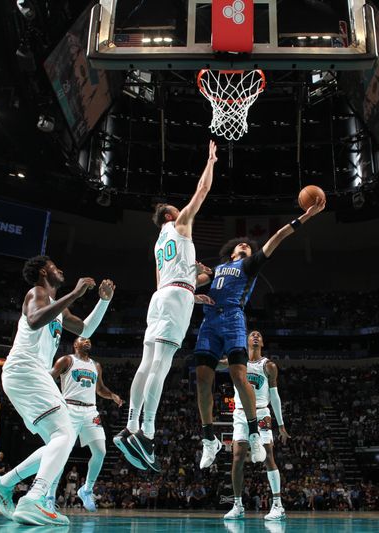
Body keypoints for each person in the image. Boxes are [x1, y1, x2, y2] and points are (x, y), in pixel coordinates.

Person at [0, 255, 114, 526]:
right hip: (27, 370)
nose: (61, 269)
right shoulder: (37, 292)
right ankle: (35, 498)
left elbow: (85, 328)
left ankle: (3, 485)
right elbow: (33, 320)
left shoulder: (56, 306)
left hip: (27, 375)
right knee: (65, 434)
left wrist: (104, 301)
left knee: (59, 442)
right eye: (55, 266)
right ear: (44, 271)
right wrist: (75, 294)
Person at [195, 198, 324, 469]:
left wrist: (308, 215)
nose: (244, 245)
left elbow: (278, 236)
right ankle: (209, 440)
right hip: (209, 322)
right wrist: (189, 280)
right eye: (240, 245)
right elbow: (188, 286)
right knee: (202, 379)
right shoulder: (215, 270)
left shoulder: (250, 265)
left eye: (248, 245)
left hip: (232, 319)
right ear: (230, 252)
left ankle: (254, 433)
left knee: (238, 376)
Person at [115, 140, 218, 472]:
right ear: (172, 215)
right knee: (161, 365)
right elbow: (202, 190)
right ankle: (147, 432)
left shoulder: (160, 242)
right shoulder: (181, 224)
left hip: (160, 298)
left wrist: (193, 291)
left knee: (146, 364)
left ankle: (130, 427)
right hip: (175, 300)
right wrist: (211, 161)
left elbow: (174, 280)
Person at [48, 336, 123, 512]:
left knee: (100, 451)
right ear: (75, 344)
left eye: (89, 340)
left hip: (90, 411)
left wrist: (111, 395)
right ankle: (50, 495)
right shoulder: (66, 360)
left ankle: (86, 490)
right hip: (70, 408)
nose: (87, 341)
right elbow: (49, 377)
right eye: (83, 340)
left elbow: (100, 389)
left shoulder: (95, 365)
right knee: (62, 453)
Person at [222, 330, 290, 521]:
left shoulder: (268, 365)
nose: (256, 336)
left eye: (259, 335)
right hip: (241, 414)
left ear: (262, 342)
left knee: (268, 455)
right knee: (237, 457)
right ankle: (237, 505)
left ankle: (278, 505)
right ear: (246, 341)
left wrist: (281, 424)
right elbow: (217, 364)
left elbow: (275, 396)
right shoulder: (238, 362)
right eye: (252, 334)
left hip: (261, 412)